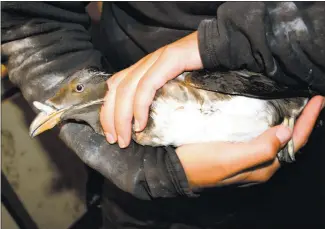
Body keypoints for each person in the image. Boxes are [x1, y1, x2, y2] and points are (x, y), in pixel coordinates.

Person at [2, 2, 325, 228]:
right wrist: (141, 166)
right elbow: (28, 20)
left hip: (302, 172)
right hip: (154, 208)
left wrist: (232, 42)